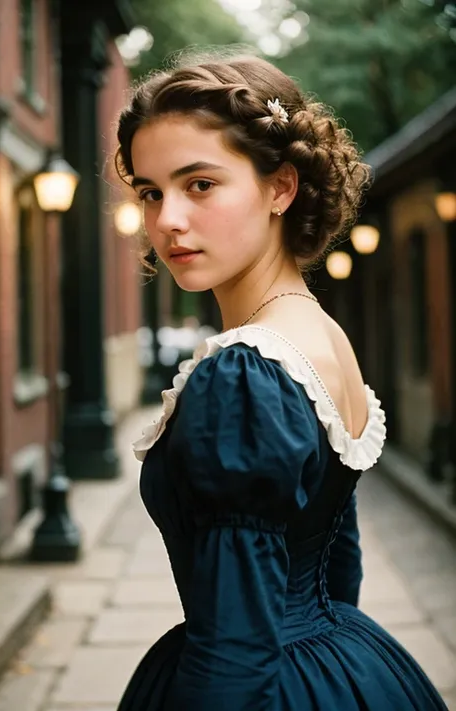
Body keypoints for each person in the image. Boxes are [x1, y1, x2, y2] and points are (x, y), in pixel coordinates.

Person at [114, 51, 448, 710]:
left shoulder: (244, 375)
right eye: (151, 191)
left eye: (200, 184)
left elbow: (232, 650)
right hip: (346, 662)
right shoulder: (321, 336)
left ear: (280, 187)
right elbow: (339, 563)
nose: (167, 220)